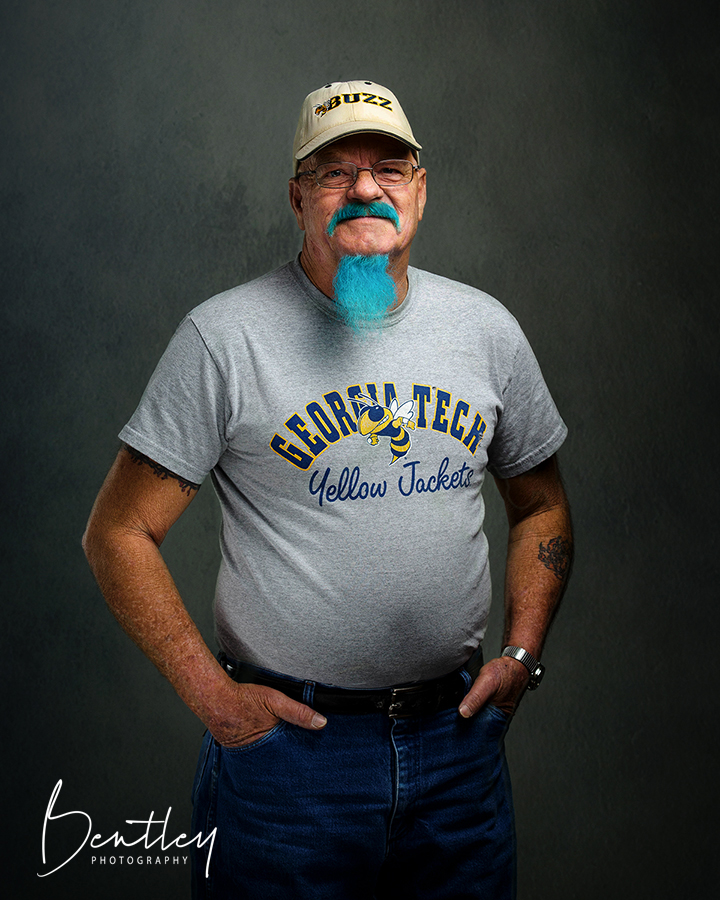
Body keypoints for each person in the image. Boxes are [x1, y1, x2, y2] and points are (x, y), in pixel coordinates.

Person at [83, 80, 573, 899]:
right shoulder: (225, 338)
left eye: (389, 166)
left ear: (420, 187)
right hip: (290, 765)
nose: (366, 189)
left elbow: (543, 506)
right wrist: (218, 703)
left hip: (456, 750)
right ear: (298, 196)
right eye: (335, 172)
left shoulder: (487, 331)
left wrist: (521, 656)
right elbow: (118, 533)